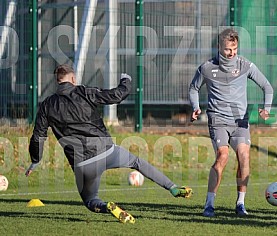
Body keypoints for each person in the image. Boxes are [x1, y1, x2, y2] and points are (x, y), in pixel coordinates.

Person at [26, 64, 192, 223]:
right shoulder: (84, 92)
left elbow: (38, 135)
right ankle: (173, 187)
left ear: (58, 81)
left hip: (82, 163)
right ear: (73, 79)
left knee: (91, 201)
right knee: (136, 162)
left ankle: (107, 207)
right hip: (106, 151)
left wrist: (35, 159)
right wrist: (125, 81)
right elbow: (116, 95)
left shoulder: (47, 105)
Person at [189, 28, 273, 217]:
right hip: (218, 120)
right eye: (228, 49)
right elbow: (193, 88)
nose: (232, 53)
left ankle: (240, 204)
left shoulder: (245, 65)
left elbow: (267, 86)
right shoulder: (207, 68)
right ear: (219, 47)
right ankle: (209, 204)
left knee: (244, 156)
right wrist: (195, 107)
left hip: (240, 121)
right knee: (222, 156)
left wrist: (266, 108)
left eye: (234, 49)